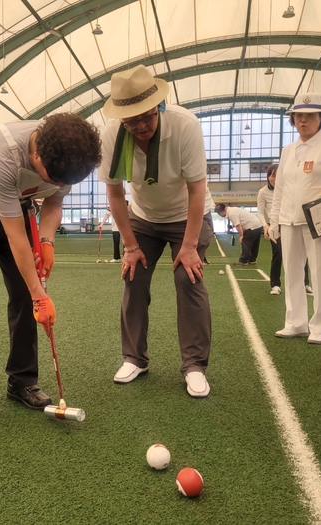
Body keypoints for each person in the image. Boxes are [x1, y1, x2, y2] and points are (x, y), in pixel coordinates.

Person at [0, 113, 101, 428]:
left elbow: (52, 203)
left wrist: (47, 241)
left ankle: (22, 381)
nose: (56, 184)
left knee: (24, 295)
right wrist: (40, 295)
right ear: (36, 153)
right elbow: (14, 236)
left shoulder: (66, 154)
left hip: (19, 210)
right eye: (51, 177)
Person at [98, 65, 213, 398]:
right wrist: (131, 247)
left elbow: (197, 190)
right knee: (133, 276)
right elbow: (115, 193)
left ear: (159, 105)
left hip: (187, 215)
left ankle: (194, 366)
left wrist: (189, 245)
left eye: (146, 117)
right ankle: (135, 358)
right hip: (144, 216)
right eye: (131, 121)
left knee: (187, 277)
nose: (141, 126)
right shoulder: (110, 135)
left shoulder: (185, 126)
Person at [268, 93, 321, 345]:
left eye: (310, 115)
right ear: (293, 120)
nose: (303, 120)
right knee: (292, 273)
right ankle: (295, 322)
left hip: (319, 222)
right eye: (298, 116)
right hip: (289, 220)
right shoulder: (288, 149)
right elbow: (279, 188)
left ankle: (320, 326)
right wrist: (274, 220)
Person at [257, 165, 312, 295]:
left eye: (278, 175)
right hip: (275, 225)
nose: (275, 179)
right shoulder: (263, 192)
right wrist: (266, 225)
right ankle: (275, 284)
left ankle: (305, 284)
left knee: (301, 253)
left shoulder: (288, 189)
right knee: (278, 254)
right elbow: (259, 211)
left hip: (290, 223)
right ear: (268, 177)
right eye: (272, 175)